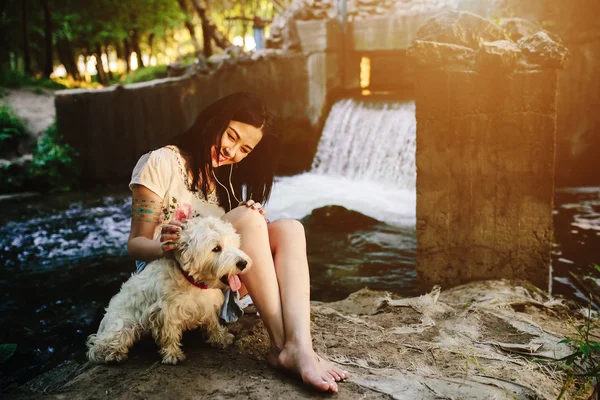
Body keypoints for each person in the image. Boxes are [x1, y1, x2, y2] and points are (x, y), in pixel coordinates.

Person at [127, 92, 348, 393]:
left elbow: (230, 249)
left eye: (244, 149)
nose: (231, 151)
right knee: (251, 217)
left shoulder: (221, 178)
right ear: (214, 120)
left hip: (211, 288)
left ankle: (301, 345)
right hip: (167, 286)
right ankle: (284, 347)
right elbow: (136, 244)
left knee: (291, 229)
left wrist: (253, 223)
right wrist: (165, 244)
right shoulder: (161, 161)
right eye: (231, 135)